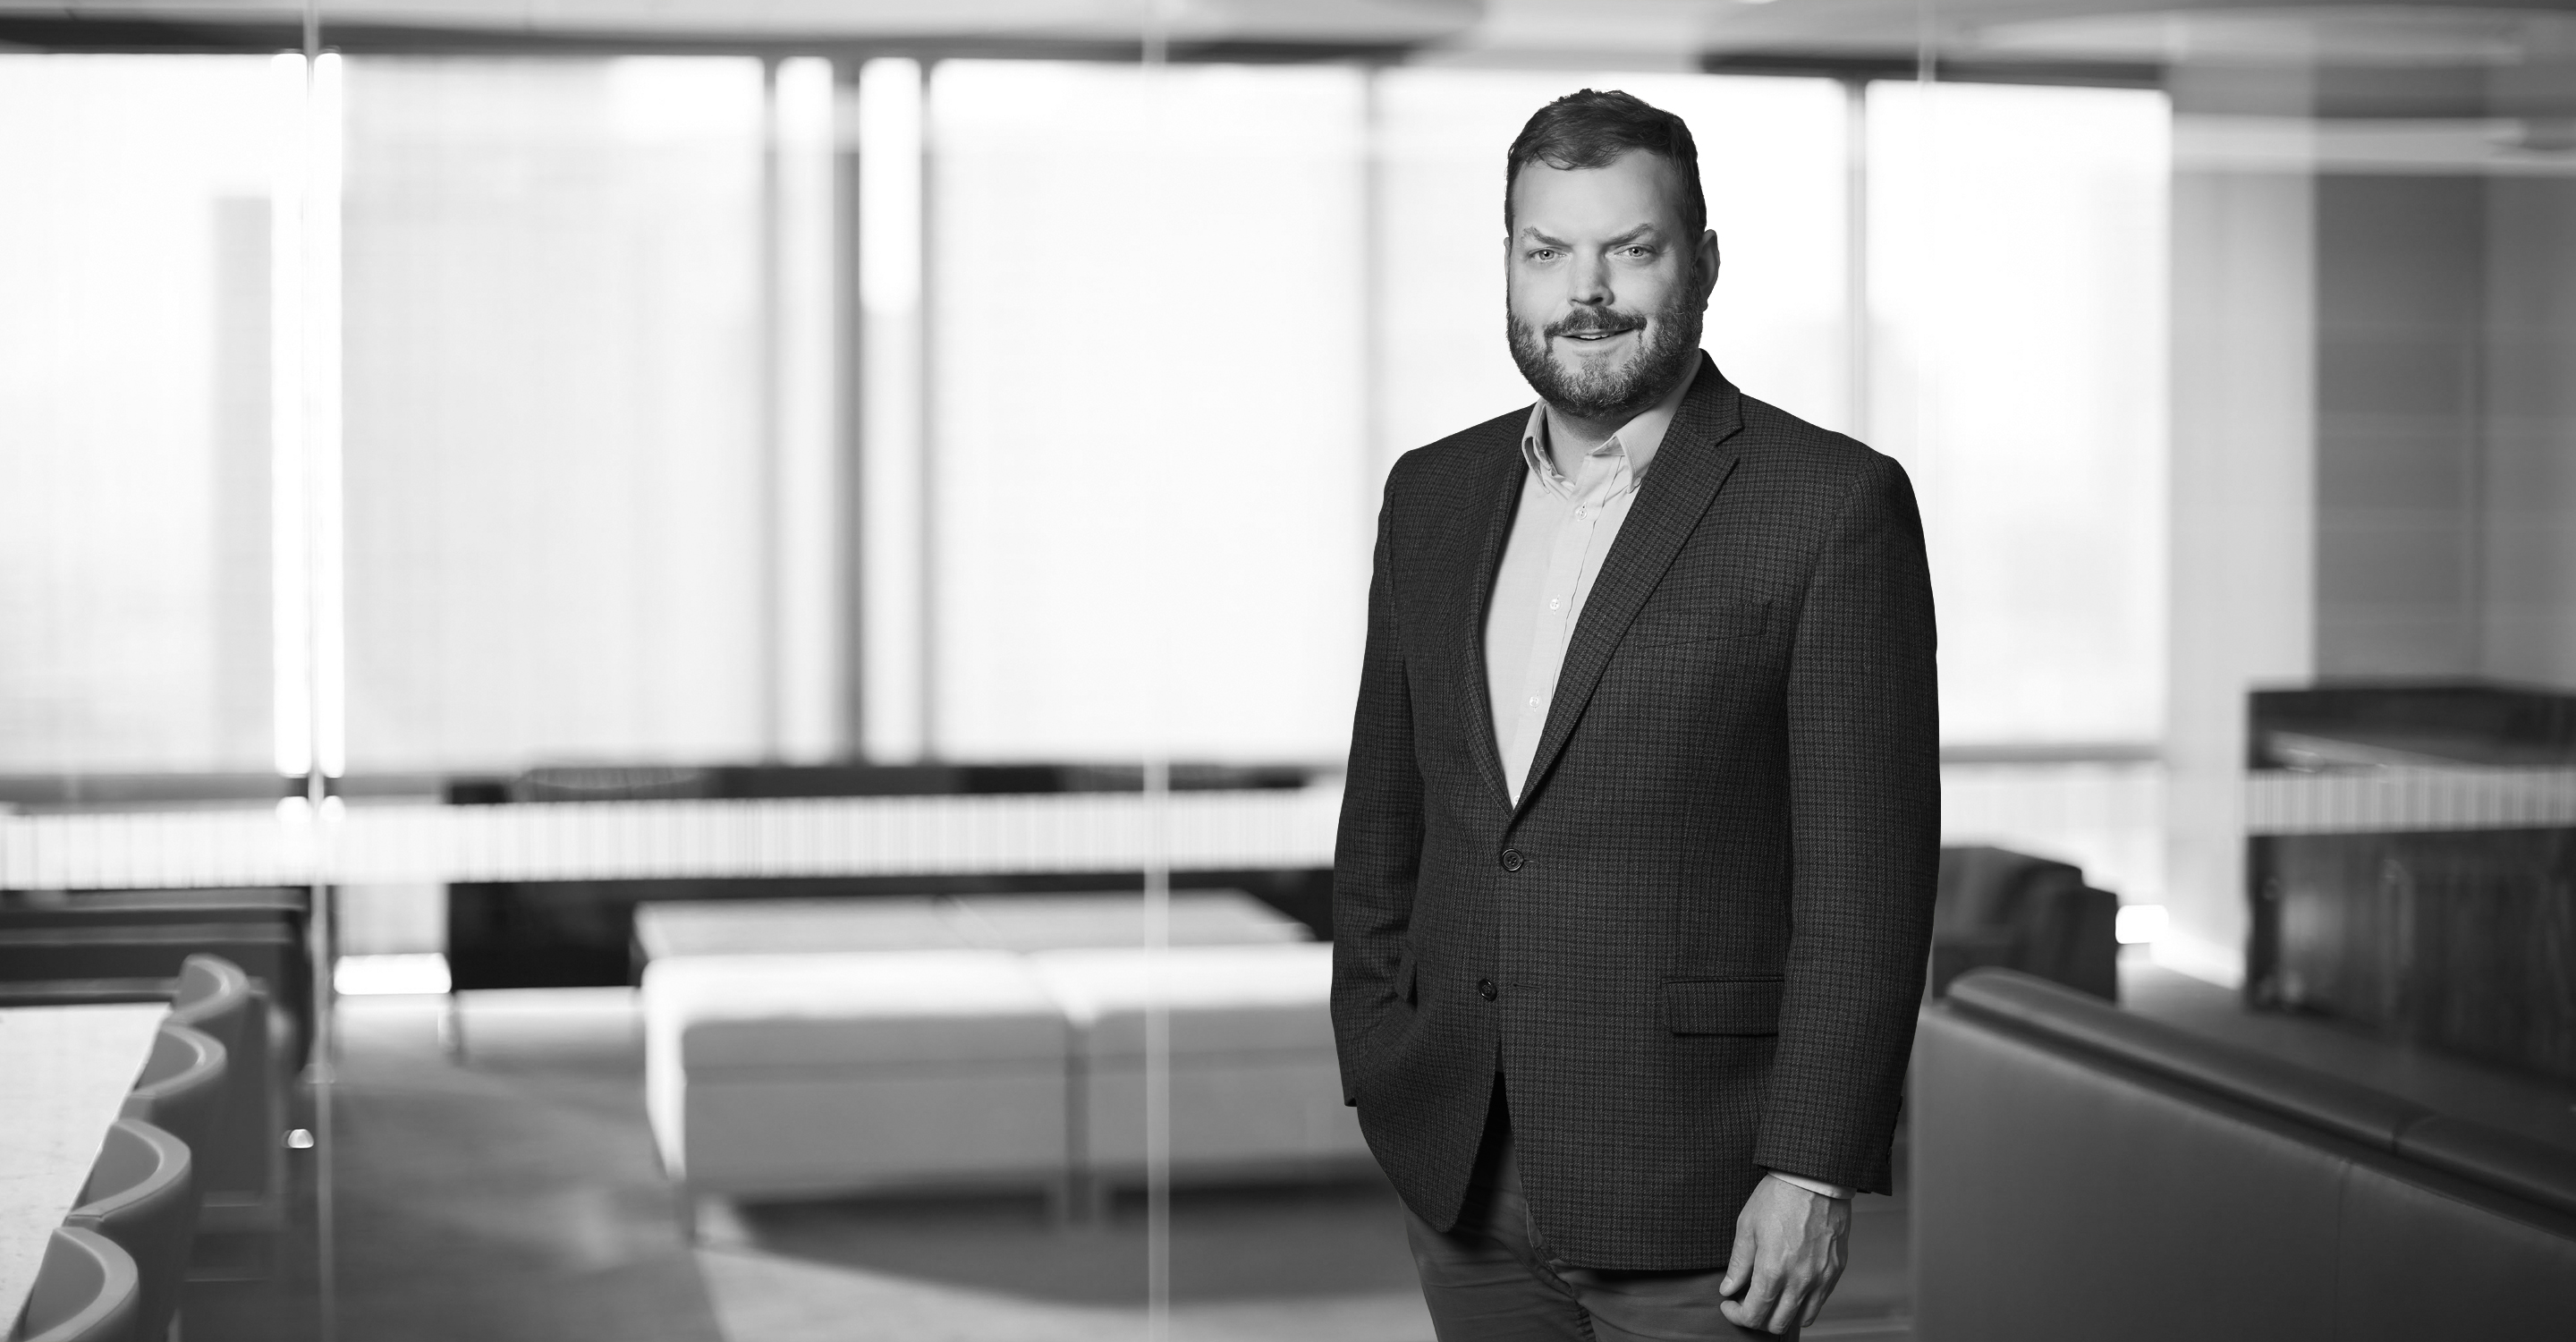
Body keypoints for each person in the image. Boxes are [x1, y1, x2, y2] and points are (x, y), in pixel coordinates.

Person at [1330, 89, 1939, 1340]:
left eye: (1631, 248)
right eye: (1547, 251)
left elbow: (1866, 883)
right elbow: (1387, 816)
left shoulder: (1829, 506)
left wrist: (1816, 1166)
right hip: (1463, 1166)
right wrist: (1382, 1047)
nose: (1586, 291)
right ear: (1508, 265)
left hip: (1706, 1181)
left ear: (1701, 262)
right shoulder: (1431, 496)